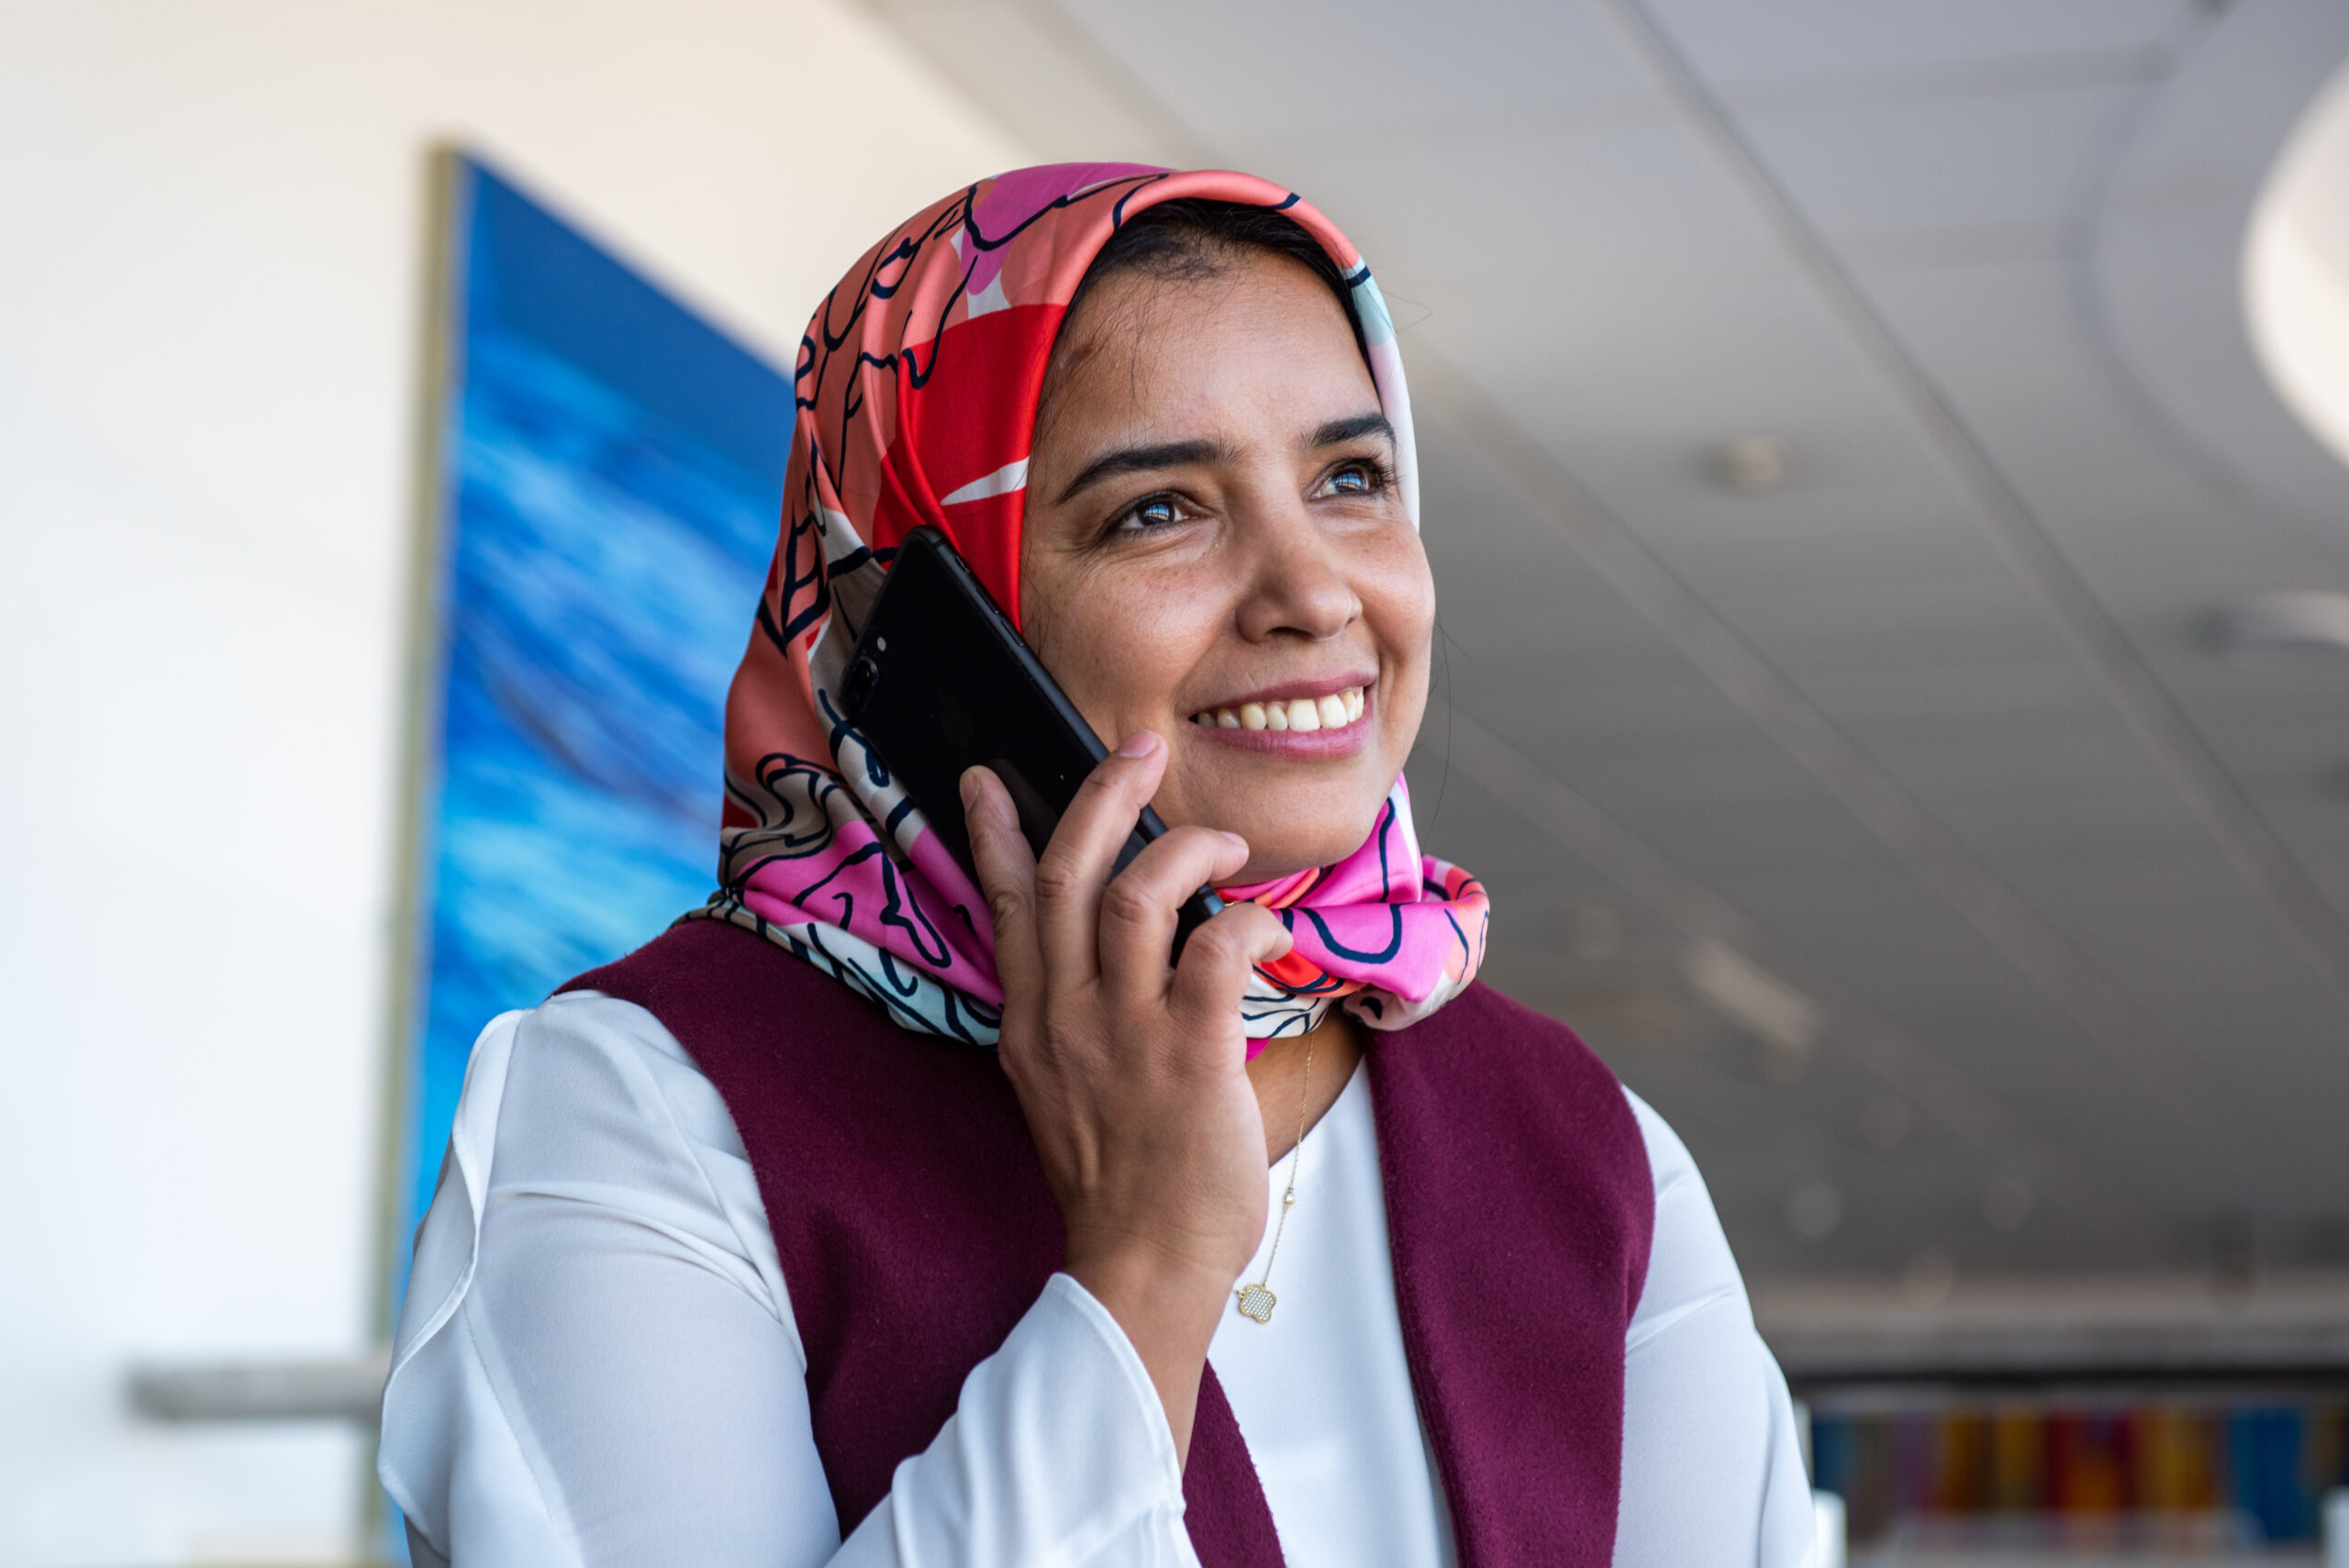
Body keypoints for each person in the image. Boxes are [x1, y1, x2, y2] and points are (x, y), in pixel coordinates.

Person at [380, 163, 1816, 1567]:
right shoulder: (645, 1106)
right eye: (1160, 509)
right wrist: (1139, 1283)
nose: (1314, 589)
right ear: (935, 607)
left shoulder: (1588, 1148)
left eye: (1353, 478)